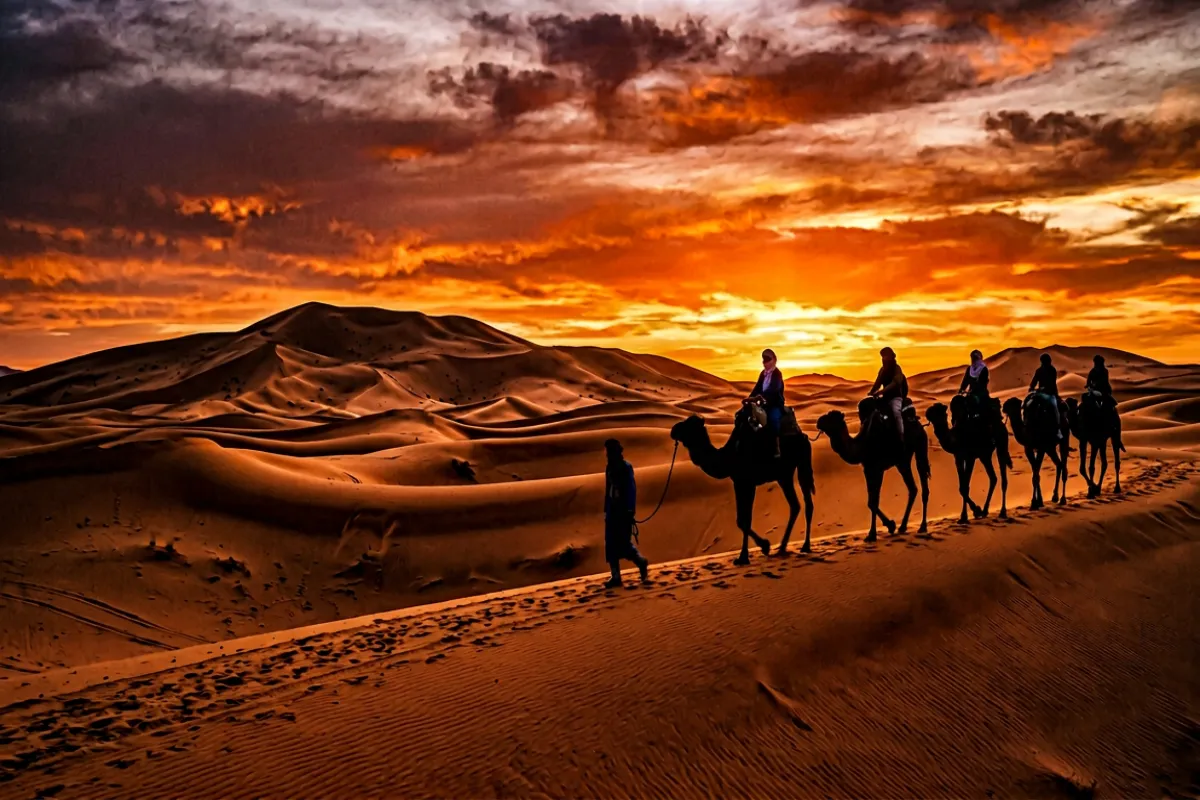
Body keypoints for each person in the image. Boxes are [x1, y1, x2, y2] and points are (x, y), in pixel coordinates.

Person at [603, 439, 649, 589]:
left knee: (623, 543)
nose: (608, 454)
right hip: (612, 510)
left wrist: (630, 510)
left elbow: (631, 489)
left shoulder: (625, 468)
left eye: (610, 450)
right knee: (610, 543)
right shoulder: (609, 467)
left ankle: (641, 562)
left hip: (623, 511)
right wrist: (606, 509)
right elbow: (607, 489)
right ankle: (615, 576)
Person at [746, 348, 785, 457]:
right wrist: (750, 398)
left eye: (767, 359)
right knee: (743, 414)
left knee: (773, 418)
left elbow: (775, 389)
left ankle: (776, 447)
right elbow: (757, 387)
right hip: (762, 403)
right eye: (764, 360)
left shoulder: (777, 374)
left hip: (774, 403)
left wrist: (762, 397)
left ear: (773, 360)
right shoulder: (763, 374)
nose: (765, 362)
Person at [869, 346, 908, 442]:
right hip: (885, 398)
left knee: (896, 413)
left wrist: (882, 391)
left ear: (891, 356)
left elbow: (896, 383)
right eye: (883, 356)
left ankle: (901, 437)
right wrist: (872, 391)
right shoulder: (882, 370)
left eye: (886, 356)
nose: (884, 358)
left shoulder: (897, 369)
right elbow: (878, 383)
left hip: (895, 397)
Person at [1028, 353, 1063, 439]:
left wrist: (1043, 389)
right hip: (1041, 394)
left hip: (1051, 393)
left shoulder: (1052, 370)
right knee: (1029, 404)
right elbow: (1034, 380)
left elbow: (1052, 383)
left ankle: (1058, 430)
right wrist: (1031, 387)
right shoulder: (1039, 371)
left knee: (1055, 409)